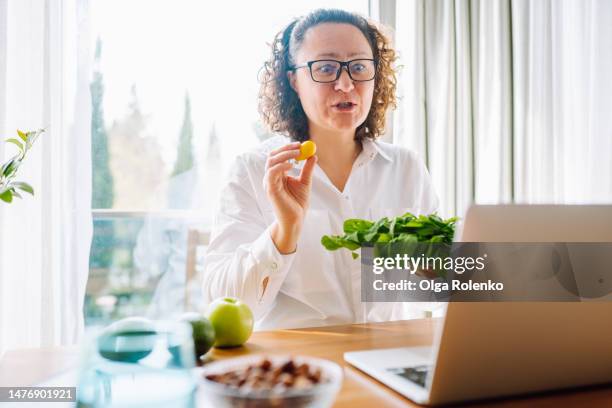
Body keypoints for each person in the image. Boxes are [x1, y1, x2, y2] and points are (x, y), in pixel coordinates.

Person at [202, 8, 439, 330]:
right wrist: (284, 229)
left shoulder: (406, 167)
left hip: (386, 355)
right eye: (325, 68)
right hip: (296, 366)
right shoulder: (253, 170)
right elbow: (224, 302)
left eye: (359, 67)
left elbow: (434, 287)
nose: (345, 84)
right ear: (294, 80)